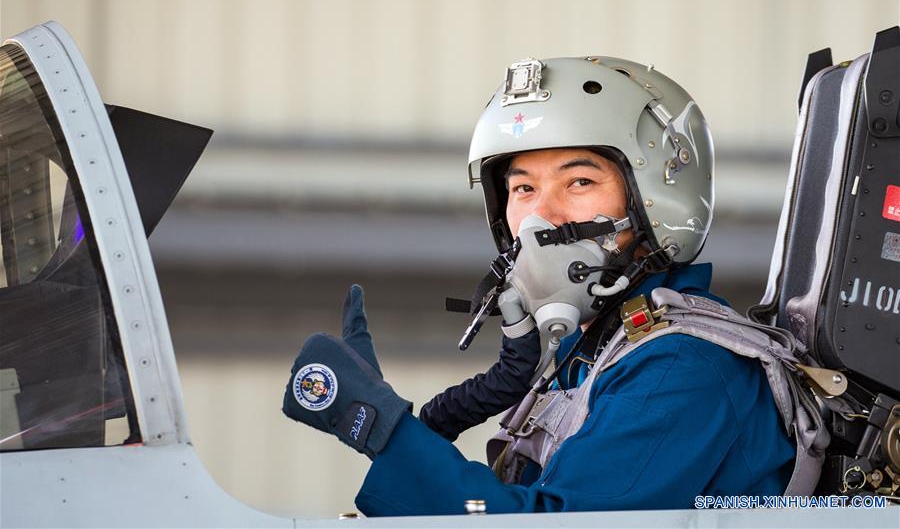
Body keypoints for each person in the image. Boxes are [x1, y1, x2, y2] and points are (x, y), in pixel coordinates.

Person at [281, 56, 808, 516]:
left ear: (656, 202)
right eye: (523, 188)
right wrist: (403, 434)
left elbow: (549, 524)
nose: (542, 217)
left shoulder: (680, 366)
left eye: (579, 181)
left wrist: (383, 428)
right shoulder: (594, 352)